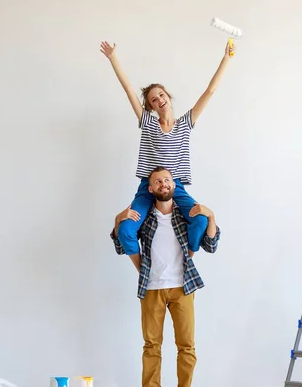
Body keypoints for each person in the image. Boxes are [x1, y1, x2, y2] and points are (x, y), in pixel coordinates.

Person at [100, 39, 234, 271]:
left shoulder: (185, 124)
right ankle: (142, 269)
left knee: (200, 220)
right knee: (125, 229)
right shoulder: (148, 123)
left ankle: (187, 260)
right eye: (153, 99)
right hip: (147, 187)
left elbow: (210, 91)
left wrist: (226, 58)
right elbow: (129, 90)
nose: (159, 100)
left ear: (168, 97)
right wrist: (113, 58)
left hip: (176, 187)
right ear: (151, 107)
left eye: (161, 95)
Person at [110, 166, 220, 387]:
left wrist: (211, 216)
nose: (163, 184)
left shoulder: (187, 216)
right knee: (151, 346)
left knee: (187, 345)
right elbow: (121, 244)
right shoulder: (143, 217)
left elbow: (211, 244)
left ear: (174, 185)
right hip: (152, 288)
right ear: (150, 189)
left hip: (183, 287)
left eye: (167, 180)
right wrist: (118, 218)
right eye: (158, 181)